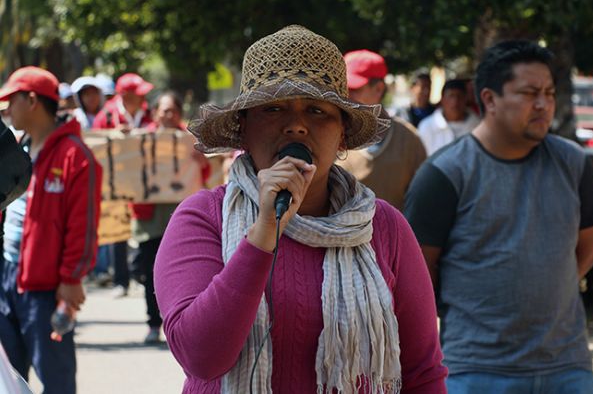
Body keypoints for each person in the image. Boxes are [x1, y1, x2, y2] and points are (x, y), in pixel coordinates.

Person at [154, 25, 446, 393]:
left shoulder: (385, 228)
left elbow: (422, 372)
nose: (296, 125)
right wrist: (261, 236)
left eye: (317, 110)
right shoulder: (202, 219)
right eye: (273, 108)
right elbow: (201, 357)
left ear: (342, 134)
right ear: (243, 128)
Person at [404, 40, 593, 394]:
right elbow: (419, 271)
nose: (543, 105)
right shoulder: (445, 173)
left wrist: (546, 281)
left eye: (549, 93)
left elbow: (588, 243)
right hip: (476, 369)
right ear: (490, 100)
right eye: (529, 93)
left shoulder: (573, 163)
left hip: (567, 366)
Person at [0, 66, 102, 394]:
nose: (5, 109)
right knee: (7, 377)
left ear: (31, 101)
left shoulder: (76, 157)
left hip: (46, 289)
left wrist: (71, 280)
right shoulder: (13, 151)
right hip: (6, 277)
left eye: (10, 101)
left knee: (56, 380)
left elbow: (82, 228)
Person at [131, 91, 210, 344]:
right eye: (163, 110)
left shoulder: (190, 141)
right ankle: (153, 322)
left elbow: (208, 173)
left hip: (179, 216)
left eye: (172, 111)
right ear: (155, 113)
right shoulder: (139, 139)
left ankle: (175, 322)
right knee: (149, 270)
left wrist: (201, 161)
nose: (167, 115)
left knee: (179, 272)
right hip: (149, 218)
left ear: (179, 113)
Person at [337, 49, 426, 210]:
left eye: (354, 89)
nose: (346, 95)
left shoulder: (409, 139)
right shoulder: (330, 134)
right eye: (343, 88)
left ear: (378, 89)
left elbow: (422, 200)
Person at [93, 72, 154, 297]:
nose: (142, 98)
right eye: (138, 94)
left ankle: (139, 273)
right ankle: (121, 280)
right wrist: (114, 135)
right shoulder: (107, 115)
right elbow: (96, 142)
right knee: (117, 231)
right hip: (116, 181)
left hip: (144, 181)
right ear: (126, 96)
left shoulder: (149, 112)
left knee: (145, 229)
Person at [417, 79, 479, 156]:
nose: (455, 101)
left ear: (465, 99)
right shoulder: (427, 126)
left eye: (459, 96)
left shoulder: (478, 126)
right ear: (442, 99)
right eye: (451, 96)